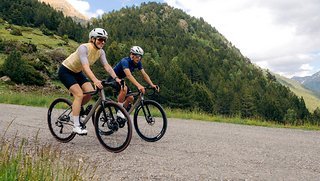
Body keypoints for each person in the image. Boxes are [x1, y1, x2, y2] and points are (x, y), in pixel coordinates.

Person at [58, 28, 121, 135]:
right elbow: (86, 67)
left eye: (104, 40)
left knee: (90, 92)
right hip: (66, 71)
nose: (102, 42)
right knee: (79, 95)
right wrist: (95, 80)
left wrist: (116, 78)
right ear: (92, 39)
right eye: (100, 39)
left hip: (77, 72)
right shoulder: (84, 48)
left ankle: (76, 110)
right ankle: (76, 125)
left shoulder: (101, 52)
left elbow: (107, 66)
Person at [111, 46, 159, 118]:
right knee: (124, 89)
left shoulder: (138, 63)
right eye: (137, 56)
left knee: (131, 98)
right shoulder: (125, 61)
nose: (138, 58)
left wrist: (152, 84)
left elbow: (144, 74)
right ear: (131, 55)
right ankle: (119, 111)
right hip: (113, 78)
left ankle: (121, 112)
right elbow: (129, 75)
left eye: (140, 56)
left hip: (121, 79)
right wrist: (139, 86)